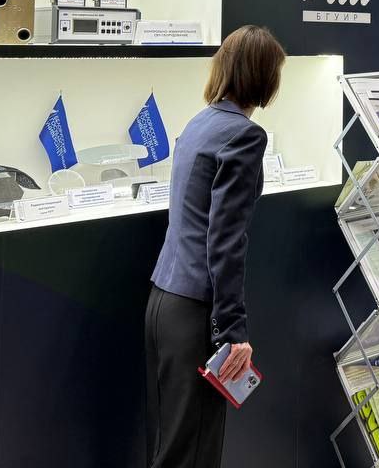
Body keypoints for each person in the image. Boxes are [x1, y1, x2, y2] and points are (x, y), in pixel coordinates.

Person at [145, 25, 286, 468]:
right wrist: (233, 333)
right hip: (196, 316)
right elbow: (225, 241)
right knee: (193, 454)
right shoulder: (244, 136)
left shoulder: (200, 123)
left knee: (171, 448)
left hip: (163, 303)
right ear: (265, 77)